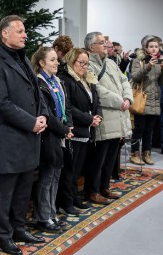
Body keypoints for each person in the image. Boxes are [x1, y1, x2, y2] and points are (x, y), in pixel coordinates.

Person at [0, 15, 49, 255]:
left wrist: (42, 116)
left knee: (24, 187)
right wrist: (31, 122)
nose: (25, 35)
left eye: (25, 31)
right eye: (20, 31)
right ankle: (3, 234)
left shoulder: (22, 59)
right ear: (5, 33)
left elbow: (37, 93)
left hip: (31, 134)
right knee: (7, 189)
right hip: (11, 136)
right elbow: (1, 104)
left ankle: (19, 227)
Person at [84, 32, 132, 204]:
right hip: (105, 117)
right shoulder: (87, 64)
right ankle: (93, 190)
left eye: (106, 44)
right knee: (99, 157)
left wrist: (127, 98)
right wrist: (120, 101)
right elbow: (96, 90)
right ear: (91, 47)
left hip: (118, 115)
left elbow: (124, 80)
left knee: (111, 157)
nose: (106, 46)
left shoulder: (111, 63)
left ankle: (105, 187)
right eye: (102, 43)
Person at [31, 47, 73, 232]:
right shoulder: (39, 83)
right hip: (48, 135)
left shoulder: (58, 82)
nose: (57, 63)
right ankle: (43, 217)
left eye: (57, 60)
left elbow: (67, 107)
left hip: (61, 134)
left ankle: (52, 214)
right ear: (41, 63)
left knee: (56, 176)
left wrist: (68, 126)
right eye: (52, 60)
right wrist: (63, 130)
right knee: (47, 177)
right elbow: (46, 112)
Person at [57, 47, 102, 212]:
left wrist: (97, 116)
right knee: (70, 170)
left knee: (77, 170)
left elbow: (94, 101)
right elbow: (68, 107)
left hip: (86, 130)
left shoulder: (86, 79)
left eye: (86, 64)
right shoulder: (65, 79)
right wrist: (89, 119)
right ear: (71, 61)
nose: (84, 67)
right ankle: (66, 202)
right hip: (75, 130)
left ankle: (74, 198)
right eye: (81, 63)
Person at [130, 36, 163, 165]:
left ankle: (147, 153)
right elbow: (135, 77)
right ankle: (134, 153)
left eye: (156, 46)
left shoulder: (159, 61)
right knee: (139, 129)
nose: (153, 49)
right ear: (146, 48)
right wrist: (148, 66)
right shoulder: (137, 60)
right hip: (141, 98)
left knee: (149, 130)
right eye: (151, 46)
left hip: (154, 99)